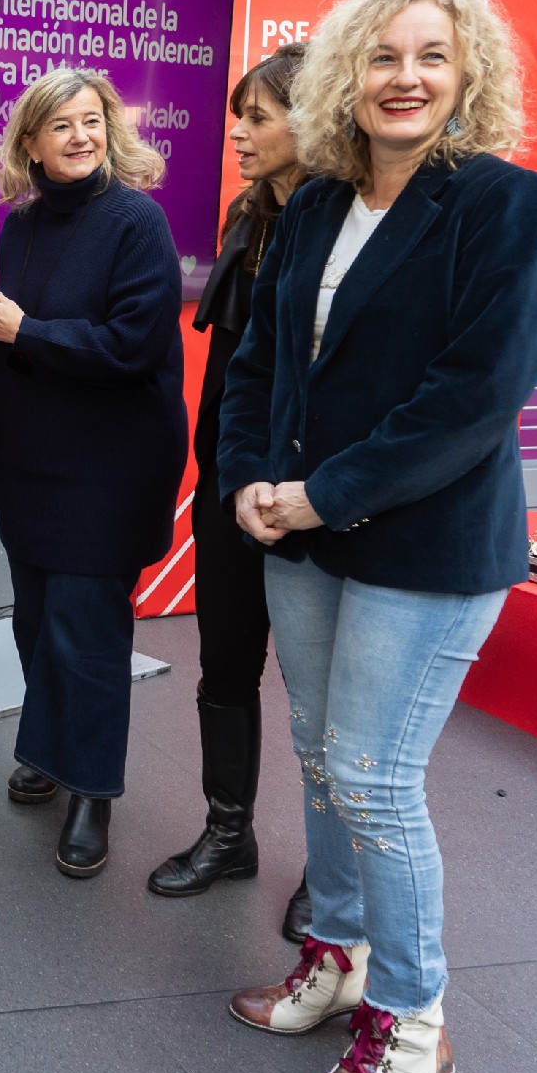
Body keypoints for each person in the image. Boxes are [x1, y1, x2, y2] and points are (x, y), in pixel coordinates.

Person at [218, 0, 537, 1073]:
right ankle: (337, 955)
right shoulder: (316, 201)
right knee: (319, 757)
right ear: (343, 76)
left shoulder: (506, 205)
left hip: (425, 543)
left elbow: (471, 397)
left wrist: (316, 494)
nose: (403, 77)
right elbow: (261, 361)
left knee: (370, 774)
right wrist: (247, 477)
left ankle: (412, 1027)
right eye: (380, 56)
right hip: (298, 531)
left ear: (466, 74)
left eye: (429, 55)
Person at [0, 67, 187, 879]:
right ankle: (49, 749)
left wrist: (26, 332)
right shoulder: (19, 226)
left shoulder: (137, 221)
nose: (80, 136)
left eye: (92, 120)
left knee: (87, 632)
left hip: (113, 466)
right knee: (33, 621)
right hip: (34, 461)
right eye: (60, 124)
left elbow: (132, 346)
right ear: (30, 142)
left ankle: (92, 789)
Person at [143, 47, 316, 942]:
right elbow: (232, 371)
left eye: (258, 117)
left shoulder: (344, 228)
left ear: (313, 119)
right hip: (229, 485)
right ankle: (228, 834)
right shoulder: (247, 216)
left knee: (323, 700)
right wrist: (221, 476)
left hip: (317, 497)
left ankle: (331, 872)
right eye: (238, 116)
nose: (238, 134)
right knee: (225, 667)